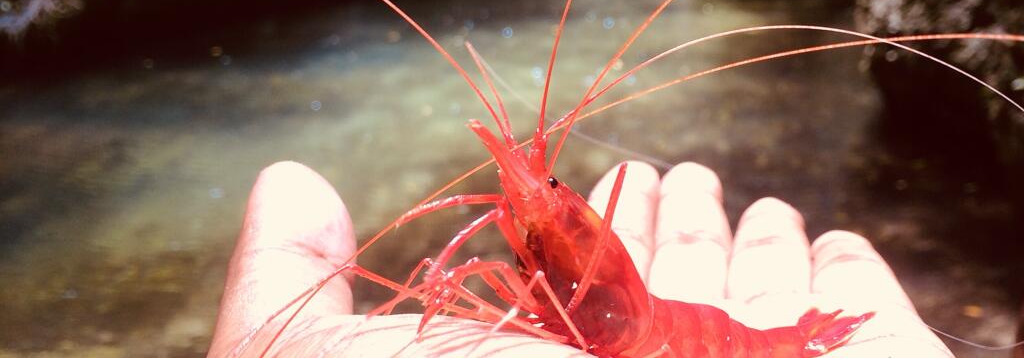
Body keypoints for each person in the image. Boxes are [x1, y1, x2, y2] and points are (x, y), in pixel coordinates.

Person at [207, 160, 953, 357]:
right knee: (470, 263)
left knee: (463, 271)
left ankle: (807, 338)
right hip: (630, 328)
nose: (532, 197)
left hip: (724, 343)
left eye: (553, 192)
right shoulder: (547, 236)